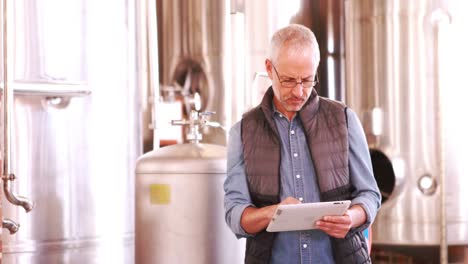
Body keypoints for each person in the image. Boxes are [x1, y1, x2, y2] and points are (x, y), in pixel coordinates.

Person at [223, 24, 381, 264]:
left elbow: (369, 194)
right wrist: (273, 213)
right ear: (269, 68)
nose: (298, 91)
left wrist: (351, 217)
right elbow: (234, 212)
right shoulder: (243, 131)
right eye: (288, 80)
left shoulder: (344, 119)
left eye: (307, 80)